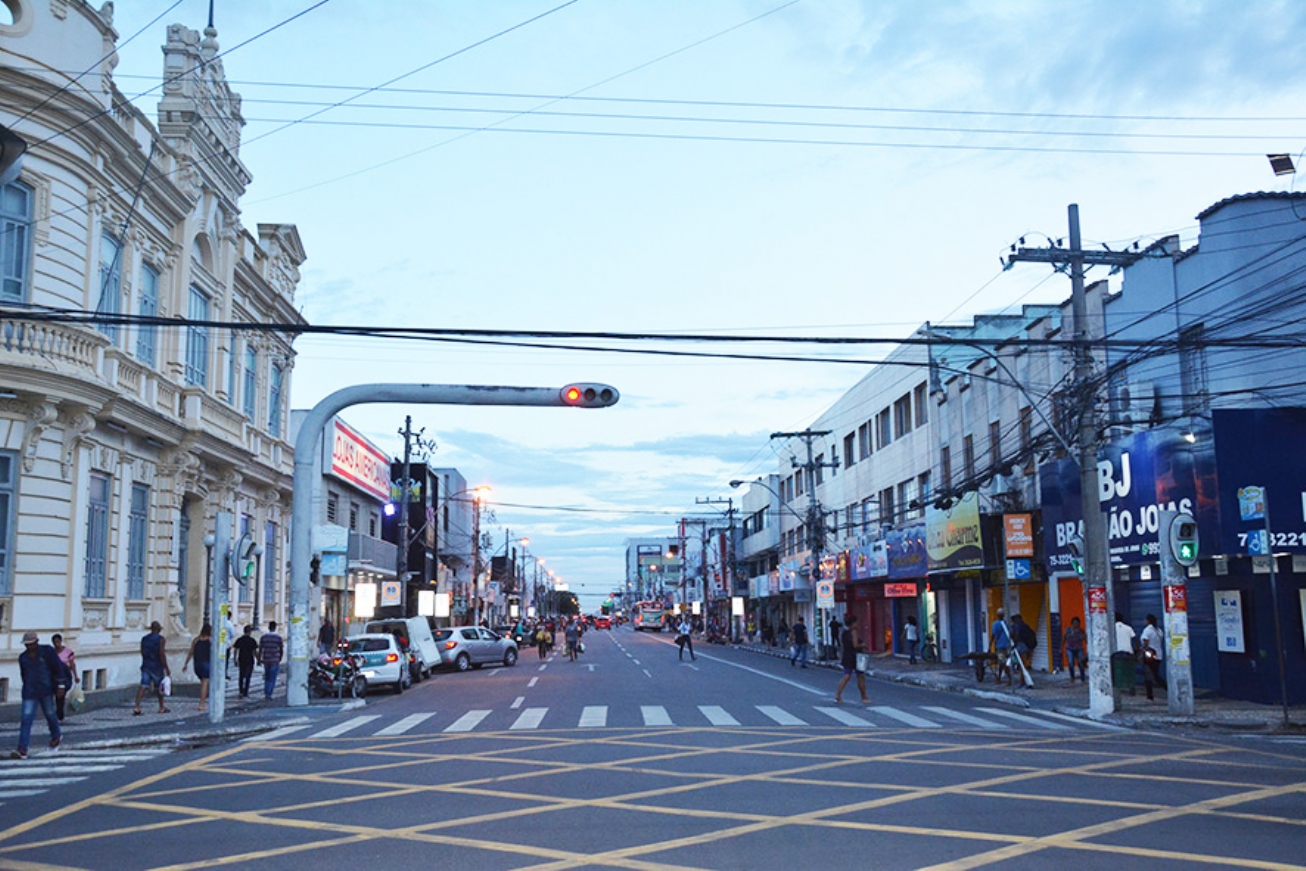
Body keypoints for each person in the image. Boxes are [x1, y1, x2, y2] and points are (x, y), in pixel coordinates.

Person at [13, 631, 66, 759]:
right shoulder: (23, 658)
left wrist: (61, 685)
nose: (28, 647)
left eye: (31, 644)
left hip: (46, 689)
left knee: (50, 714)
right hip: (29, 691)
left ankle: (56, 736)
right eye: (26, 645)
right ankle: (22, 749)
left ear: (36, 642)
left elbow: (58, 668)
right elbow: (24, 675)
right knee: (26, 719)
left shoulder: (47, 652)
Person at [132, 621, 170, 715]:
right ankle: (161, 707)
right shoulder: (161, 639)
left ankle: (137, 706)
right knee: (159, 687)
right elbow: (161, 653)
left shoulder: (144, 639)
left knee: (143, 685)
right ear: (159, 629)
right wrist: (166, 667)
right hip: (156, 665)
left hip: (146, 664)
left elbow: (142, 651)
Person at [834, 613, 870, 704]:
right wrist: (863, 645)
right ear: (853, 623)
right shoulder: (854, 632)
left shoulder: (844, 633)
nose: (857, 624)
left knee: (846, 676)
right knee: (860, 676)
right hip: (856, 656)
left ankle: (838, 694)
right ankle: (864, 696)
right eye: (856, 623)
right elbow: (855, 645)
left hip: (847, 656)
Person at [183, 623, 213, 711]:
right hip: (206, 663)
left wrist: (186, 664)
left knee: (203, 683)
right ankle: (201, 704)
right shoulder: (210, 640)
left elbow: (191, 652)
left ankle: (203, 701)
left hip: (197, 664)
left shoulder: (196, 640)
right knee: (205, 684)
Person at [51, 633, 78, 721]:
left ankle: (60, 711)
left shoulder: (68, 652)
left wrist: (75, 676)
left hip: (65, 676)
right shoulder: (51, 652)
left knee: (61, 694)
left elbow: (72, 664)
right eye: (55, 642)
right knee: (57, 694)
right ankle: (59, 711)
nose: (57, 644)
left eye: (58, 642)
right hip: (54, 676)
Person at [1140, 613, 1166, 701]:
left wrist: (1142, 648)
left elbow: (1146, 642)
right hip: (1158, 655)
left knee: (1149, 675)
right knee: (1155, 675)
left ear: (1148, 621)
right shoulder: (1159, 630)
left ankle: (1150, 696)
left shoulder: (1147, 630)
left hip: (1149, 656)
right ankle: (1167, 689)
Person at [259, 621, 285, 700]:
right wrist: (280, 657)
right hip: (275, 659)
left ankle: (266, 692)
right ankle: (269, 694)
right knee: (272, 678)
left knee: (267, 677)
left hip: (266, 659)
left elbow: (260, 649)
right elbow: (281, 649)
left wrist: (259, 659)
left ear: (268, 627)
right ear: (275, 627)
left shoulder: (264, 637)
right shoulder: (278, 638)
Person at [233, 625, 259, 698]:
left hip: (241, 659)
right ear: (250, 632)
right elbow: (254, 652)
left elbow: (235, 649)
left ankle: (241, 690)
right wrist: (258, 660)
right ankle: (246, 691)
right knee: (248, 677)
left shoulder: (240, 640)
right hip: (249, 660)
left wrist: (235, 659)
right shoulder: (252, 640)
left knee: (241, 676)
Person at [990, 609, 1012, 685]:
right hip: (1008, 646)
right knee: (1004, 663)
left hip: (1000, 647)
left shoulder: (995, 624)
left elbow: (993, 636)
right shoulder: (1007, 624)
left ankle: (1009, 679)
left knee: (1002, 662)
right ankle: (999, 678)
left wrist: (990, 646)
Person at [1063, 616, 1087, 684]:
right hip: (1070, 648)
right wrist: (1061, 648)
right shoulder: (1068, 630)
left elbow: (1085, 639)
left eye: (1077, 623)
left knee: (1081, 664)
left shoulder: (1081, 631)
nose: (1076, 625)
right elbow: (1064, 639)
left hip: (1079, 648)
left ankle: (1083, 678)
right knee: (1071, 663)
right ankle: (1072, 677)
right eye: (1074, 623)